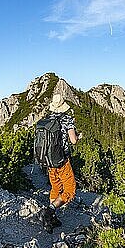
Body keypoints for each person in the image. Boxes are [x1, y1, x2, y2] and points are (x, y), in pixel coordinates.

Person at [41, 94, 79, 233]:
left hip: (49, 162)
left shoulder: (47, 119)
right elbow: (73, 140)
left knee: (56, 188)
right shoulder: (67, 119)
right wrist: (78, 136)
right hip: (62, 161)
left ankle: (52, 219)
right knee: (70, 190)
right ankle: (49, 211)